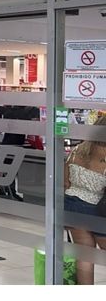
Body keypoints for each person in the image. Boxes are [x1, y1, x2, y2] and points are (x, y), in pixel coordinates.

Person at [64, 115, 106, 285]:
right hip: (97, 209)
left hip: (71, 204)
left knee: (84, 255)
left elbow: (65, 181)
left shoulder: (78, 149)